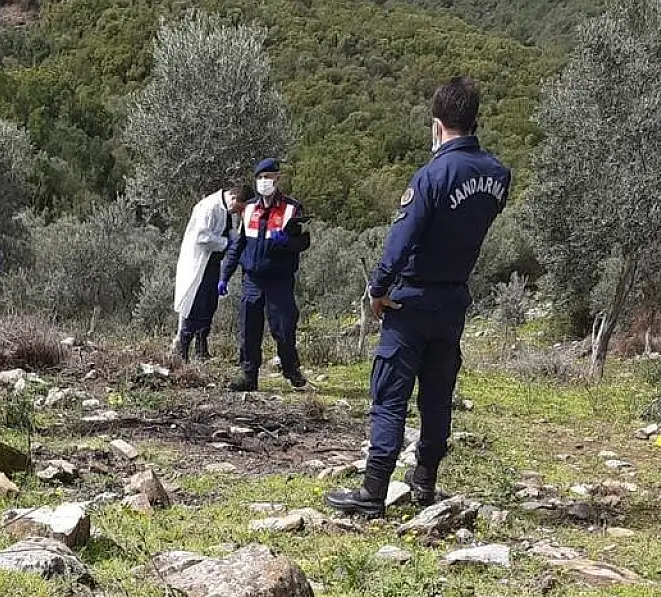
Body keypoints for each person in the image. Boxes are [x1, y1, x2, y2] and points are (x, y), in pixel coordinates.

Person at [326, 77, 511, 518]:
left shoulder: (433, 175)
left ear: (437, 124)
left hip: (410, 300)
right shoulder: (498, 175)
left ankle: (373, 492)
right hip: (454, 299)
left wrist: (378, 289)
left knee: (390, 394)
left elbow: (401, 239)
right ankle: (424, 481)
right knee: (437, 395)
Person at [218, 159, 312, 391]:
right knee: (249, 329)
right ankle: (248, 376)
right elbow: (238, 245)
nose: (264, 182)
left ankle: (291, 369)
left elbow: (304, 242)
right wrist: (225, 275)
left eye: (268, 177)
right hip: (252, 279)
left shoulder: (292, 208)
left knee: (284, 328)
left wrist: (287, 241)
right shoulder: (249, 208)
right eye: (260, 178)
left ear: (277, 179)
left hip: (279, 280)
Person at [173, 184, 254, 361]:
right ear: (234, 198)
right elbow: (201, 237)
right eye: (239, 207)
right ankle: (182, 351)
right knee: (195, 305)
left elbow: (229, 231)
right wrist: (226, 243)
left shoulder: (228, 211)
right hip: (199, 264)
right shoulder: (209, 207)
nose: (238, 212)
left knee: (209, 305)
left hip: (214, 264)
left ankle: (201, 350)